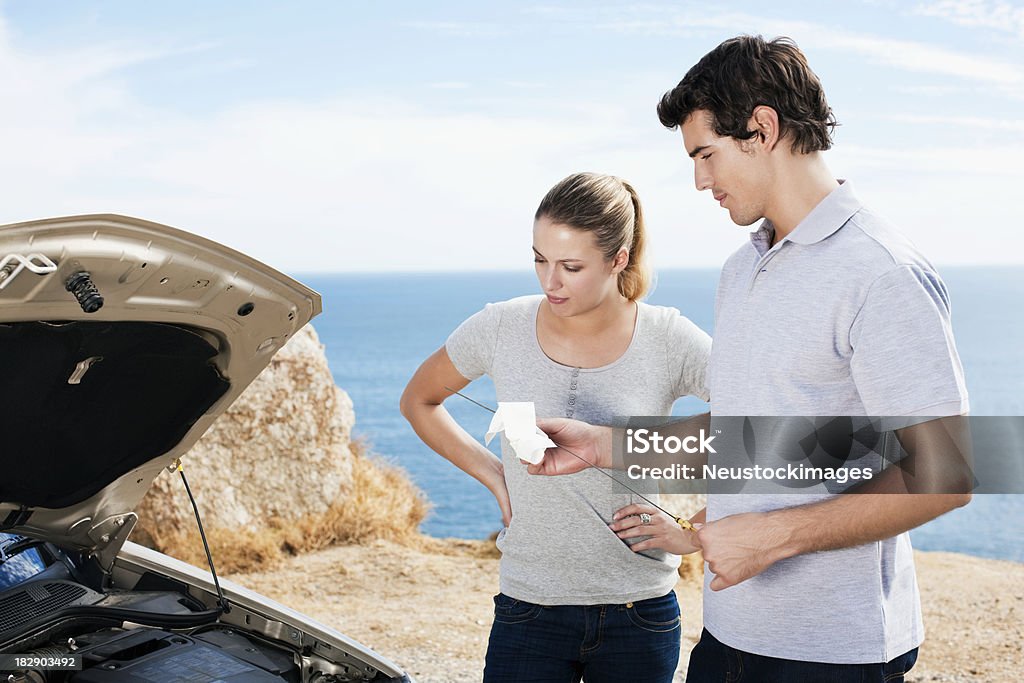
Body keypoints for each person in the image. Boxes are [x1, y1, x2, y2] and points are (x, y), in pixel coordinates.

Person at [530, 36, 971, 682]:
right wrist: (605, 445)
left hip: (833, 654)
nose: (699, 179)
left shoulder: (881, 270)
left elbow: (946, 469)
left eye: (706, 154)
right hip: (727, 638)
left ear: (763, 128)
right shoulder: (742, 270)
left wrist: (775, 536)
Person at [399, 172, 711, 682]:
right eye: (540, 259)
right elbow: (419, 400)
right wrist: (495, 474)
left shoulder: (669, 337)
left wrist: (697, 529)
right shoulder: (500, 326)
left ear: (619, 259)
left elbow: (764, 428)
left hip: (641, 612)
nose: (550, 281)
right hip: (530, 608)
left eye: (571, 266)